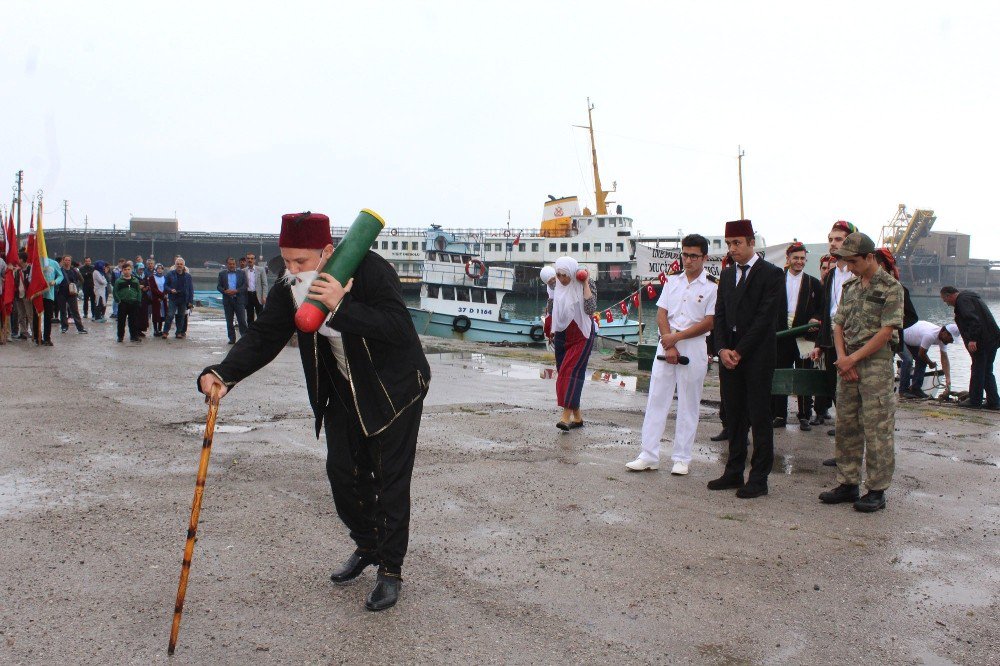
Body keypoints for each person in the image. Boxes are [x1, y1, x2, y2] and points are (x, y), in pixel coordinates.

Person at [197, 211, 430, 612]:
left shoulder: (371, 270)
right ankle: (369, 544)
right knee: (342, 473)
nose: (291, 270)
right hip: (340, 387)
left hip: (393, 389)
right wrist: (222, 373)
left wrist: (340, 306)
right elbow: (265, 335)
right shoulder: (291, 286)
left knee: (389, 479)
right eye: (285, 261)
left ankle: (390, 570)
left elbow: (398, 327)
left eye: (300, 262)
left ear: (327, 251)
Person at [819, 232, 903, 512]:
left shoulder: (891, 288)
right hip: (848, 362)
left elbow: (887, 331)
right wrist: (843, 358)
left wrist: (852, 358)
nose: (850, 267)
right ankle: (848, 481)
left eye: (854, 261)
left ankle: (877, 489)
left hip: (876, 364)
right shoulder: (851, 287)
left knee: (877, 427)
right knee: (847, 425)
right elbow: (838, 324)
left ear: (870, 257)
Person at [626, 235, 717, 474]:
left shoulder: (711, 286)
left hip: (693, 344)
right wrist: (670, 342)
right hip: (667, 343)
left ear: (704, 257)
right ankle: (648, 454)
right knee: (656, 398)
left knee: (689, 403)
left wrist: (676, 339)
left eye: (693, 256)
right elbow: (661, 314)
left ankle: (682, 458)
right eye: (685, 255)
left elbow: (709, 322)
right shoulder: (672, 282)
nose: (688, 260)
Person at [708, 219, 784, 499]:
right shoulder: (727, 275)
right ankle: (733, 470)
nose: (733, 249)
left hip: (757, 356)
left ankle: (760, 477)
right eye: (729, 244)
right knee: (735, 415)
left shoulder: (771, 274)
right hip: (729, 356)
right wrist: (721, 349)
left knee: (759, 415)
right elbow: (719, 315)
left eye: (737, 243)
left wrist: (740, 351)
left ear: (752, 242)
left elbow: (765, 318)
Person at [810, 221, 858, 462]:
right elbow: (825, 311)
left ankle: (852, 453)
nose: (832, 243)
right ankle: (843, 453)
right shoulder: (830, 276)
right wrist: (819, 343)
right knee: (836, 393)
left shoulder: (857, 272)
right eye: (830, 239)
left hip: (854, 340)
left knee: (852, 398)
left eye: (838, 239)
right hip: (831, 340)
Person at [772, 242, 822, 430]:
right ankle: (779, 415)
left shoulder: (813, 282)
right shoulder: (778, 280)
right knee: (780, 374)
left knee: (803, 375)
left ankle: (804, 415)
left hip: (803, 336)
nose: (799, 261)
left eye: (802, 258)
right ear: (788, 259)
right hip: (782, 335)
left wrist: (814, 318)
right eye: (796, 258)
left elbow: (821, 308)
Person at [551, 256, 597, 430]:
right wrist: (552, 328)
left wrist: (584, 283)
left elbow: (590, 309)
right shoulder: (558, 286)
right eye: (559, 274)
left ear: (572, 272)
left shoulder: (586, 283)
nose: (562, 279)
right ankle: (577, 417)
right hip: (562, 334)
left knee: (570, 372)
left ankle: (565, 417)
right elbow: (554, 306)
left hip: (582, 334)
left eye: (565, 275)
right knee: (562, 371)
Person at [940, 285, 1000, 409]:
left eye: (945, 300)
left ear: (949, 295)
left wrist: (973, 339)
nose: (946, 303)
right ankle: (994, 402)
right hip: (992, 339)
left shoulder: (962, 301)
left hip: (981, 342)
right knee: (987, 371)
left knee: (978, 369)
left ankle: (974, 400)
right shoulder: (971, 297)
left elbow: (972, 319)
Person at [898, 321, 958, 398]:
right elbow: (921, 353)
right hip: (900, 337)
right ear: (944, 332)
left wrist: (948, 378)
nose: (952, 341)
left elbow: (944, 359)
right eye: (951, 338)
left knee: (922, 360)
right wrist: (930, 363)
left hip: (912, 341)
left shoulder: (943, 339)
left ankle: (915, 389)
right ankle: (903, 391)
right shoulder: (930, 335)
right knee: (908, 360)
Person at [218, 257, 249, 344]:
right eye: (230, 264)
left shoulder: (241, 273)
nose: (232, 265)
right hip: (228, 300)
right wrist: (224, 291)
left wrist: (236, 291)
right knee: (229, 321)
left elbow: (245, 286)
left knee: (242, 320)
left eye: (233, 264)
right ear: (227, 264)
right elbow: (218, 286)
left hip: (239, 300)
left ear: (236, 264)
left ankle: (244, 338)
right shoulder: (222, 274)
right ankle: (232, 338)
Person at [162, 256, 194, 339]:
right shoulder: (170, 274)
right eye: (178, 264)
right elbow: (165, 285)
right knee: (170, 315)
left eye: (181, 264)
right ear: (175, 265)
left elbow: (191, 289)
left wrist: (191, 301)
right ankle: (165, 332)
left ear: (184, 265)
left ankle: (179, 332)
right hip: (173, 298)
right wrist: (170, 290)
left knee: (181, 316)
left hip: (183, 298)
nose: (179, 265)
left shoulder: (188, 276)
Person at [56, 255, 87, 334]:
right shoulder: (59, 271)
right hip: (61, 293)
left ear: (70, 261)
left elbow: (82, 280)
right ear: (63, 261)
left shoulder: (74, 271)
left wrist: (76, 286)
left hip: (72, 293)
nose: (67, 262)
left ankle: (80, 328)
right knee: (63, 311)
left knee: (75, 311)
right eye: (65, 260)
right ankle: (64, 327)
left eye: (68, 260)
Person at [113, 262, 143, 342]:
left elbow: (138, 291)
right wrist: (118, 300)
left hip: (133, 303)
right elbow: (115, 292)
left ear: (131, 270)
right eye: (125, 269)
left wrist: (138, 300)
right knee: (121, 321)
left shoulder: (135, 280)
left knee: (133, 320)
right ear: (122, 271)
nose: (127, 271)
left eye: (128, 269)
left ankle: (134, 336)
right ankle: (120, 336)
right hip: (123, 303)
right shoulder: (119, 281)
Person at [12, 252, 33, 340]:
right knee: (21, 315)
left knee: (30, 315)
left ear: (21, 259)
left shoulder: (30, 268)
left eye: (18, 258)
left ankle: (34, 332)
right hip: (18, 296)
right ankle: (23, 332)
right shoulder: (17, 270)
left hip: (27, 295)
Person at [245, 252, 268, 325]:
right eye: (248, 258)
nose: (250, 260)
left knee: (260, 315)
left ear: (254, 260)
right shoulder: (243, 271)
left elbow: (264, 284)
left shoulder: (261, 270)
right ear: (246, 260)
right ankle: (250, 333)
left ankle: (261, 333)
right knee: (249, 316)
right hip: (248, 295)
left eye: (252, 258)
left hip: (258, 295)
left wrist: (264, 296)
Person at [148, 263, 168, 337]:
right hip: (156, 299)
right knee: (155, 314)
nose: (159, 270)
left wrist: (164, 296)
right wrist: (161, 295)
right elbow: (153, 289)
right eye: (158, 268)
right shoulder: (152, 278)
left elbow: (166, 287)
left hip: (163, 299)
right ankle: (155, 330)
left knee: (162, 314)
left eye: (161, 268)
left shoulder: (165, 277)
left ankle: (160, 329)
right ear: (156, 269)